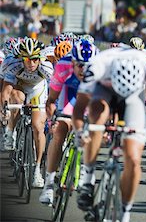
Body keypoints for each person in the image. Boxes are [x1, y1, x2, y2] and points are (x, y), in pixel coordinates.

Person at [73, 45, 146, 222]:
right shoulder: (98, 65)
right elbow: (79, 109)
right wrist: (79, 131)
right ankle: (88, 177)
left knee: (133, 159)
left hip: (133, 96)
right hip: (104, 91)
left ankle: (125, 211)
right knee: (97, 114)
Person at [39, 39, 98, 205]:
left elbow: (104, 102)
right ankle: (49, 184)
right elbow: (51, 100)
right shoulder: (63, 66)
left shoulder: (100, 68)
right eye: (79, 65)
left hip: (90, 94)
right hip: (69, 93)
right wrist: (52, 121)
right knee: (60, 131)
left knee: (93, 130)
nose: (84, 69)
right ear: (72, 61)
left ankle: (87, 177)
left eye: (88, 66)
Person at [1, 38, 54, 187]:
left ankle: (37, 170)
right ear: (21, 58)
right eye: (27, 60)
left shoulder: (47, 67)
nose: (31, 63)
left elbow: (55, 91)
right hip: (20, 88)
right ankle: (10, 132)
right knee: (16, 99)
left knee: (38, 127)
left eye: (35, 59)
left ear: (40, 58)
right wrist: (4, 110)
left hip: (38, 90)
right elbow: (6, 91)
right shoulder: (12, 64)